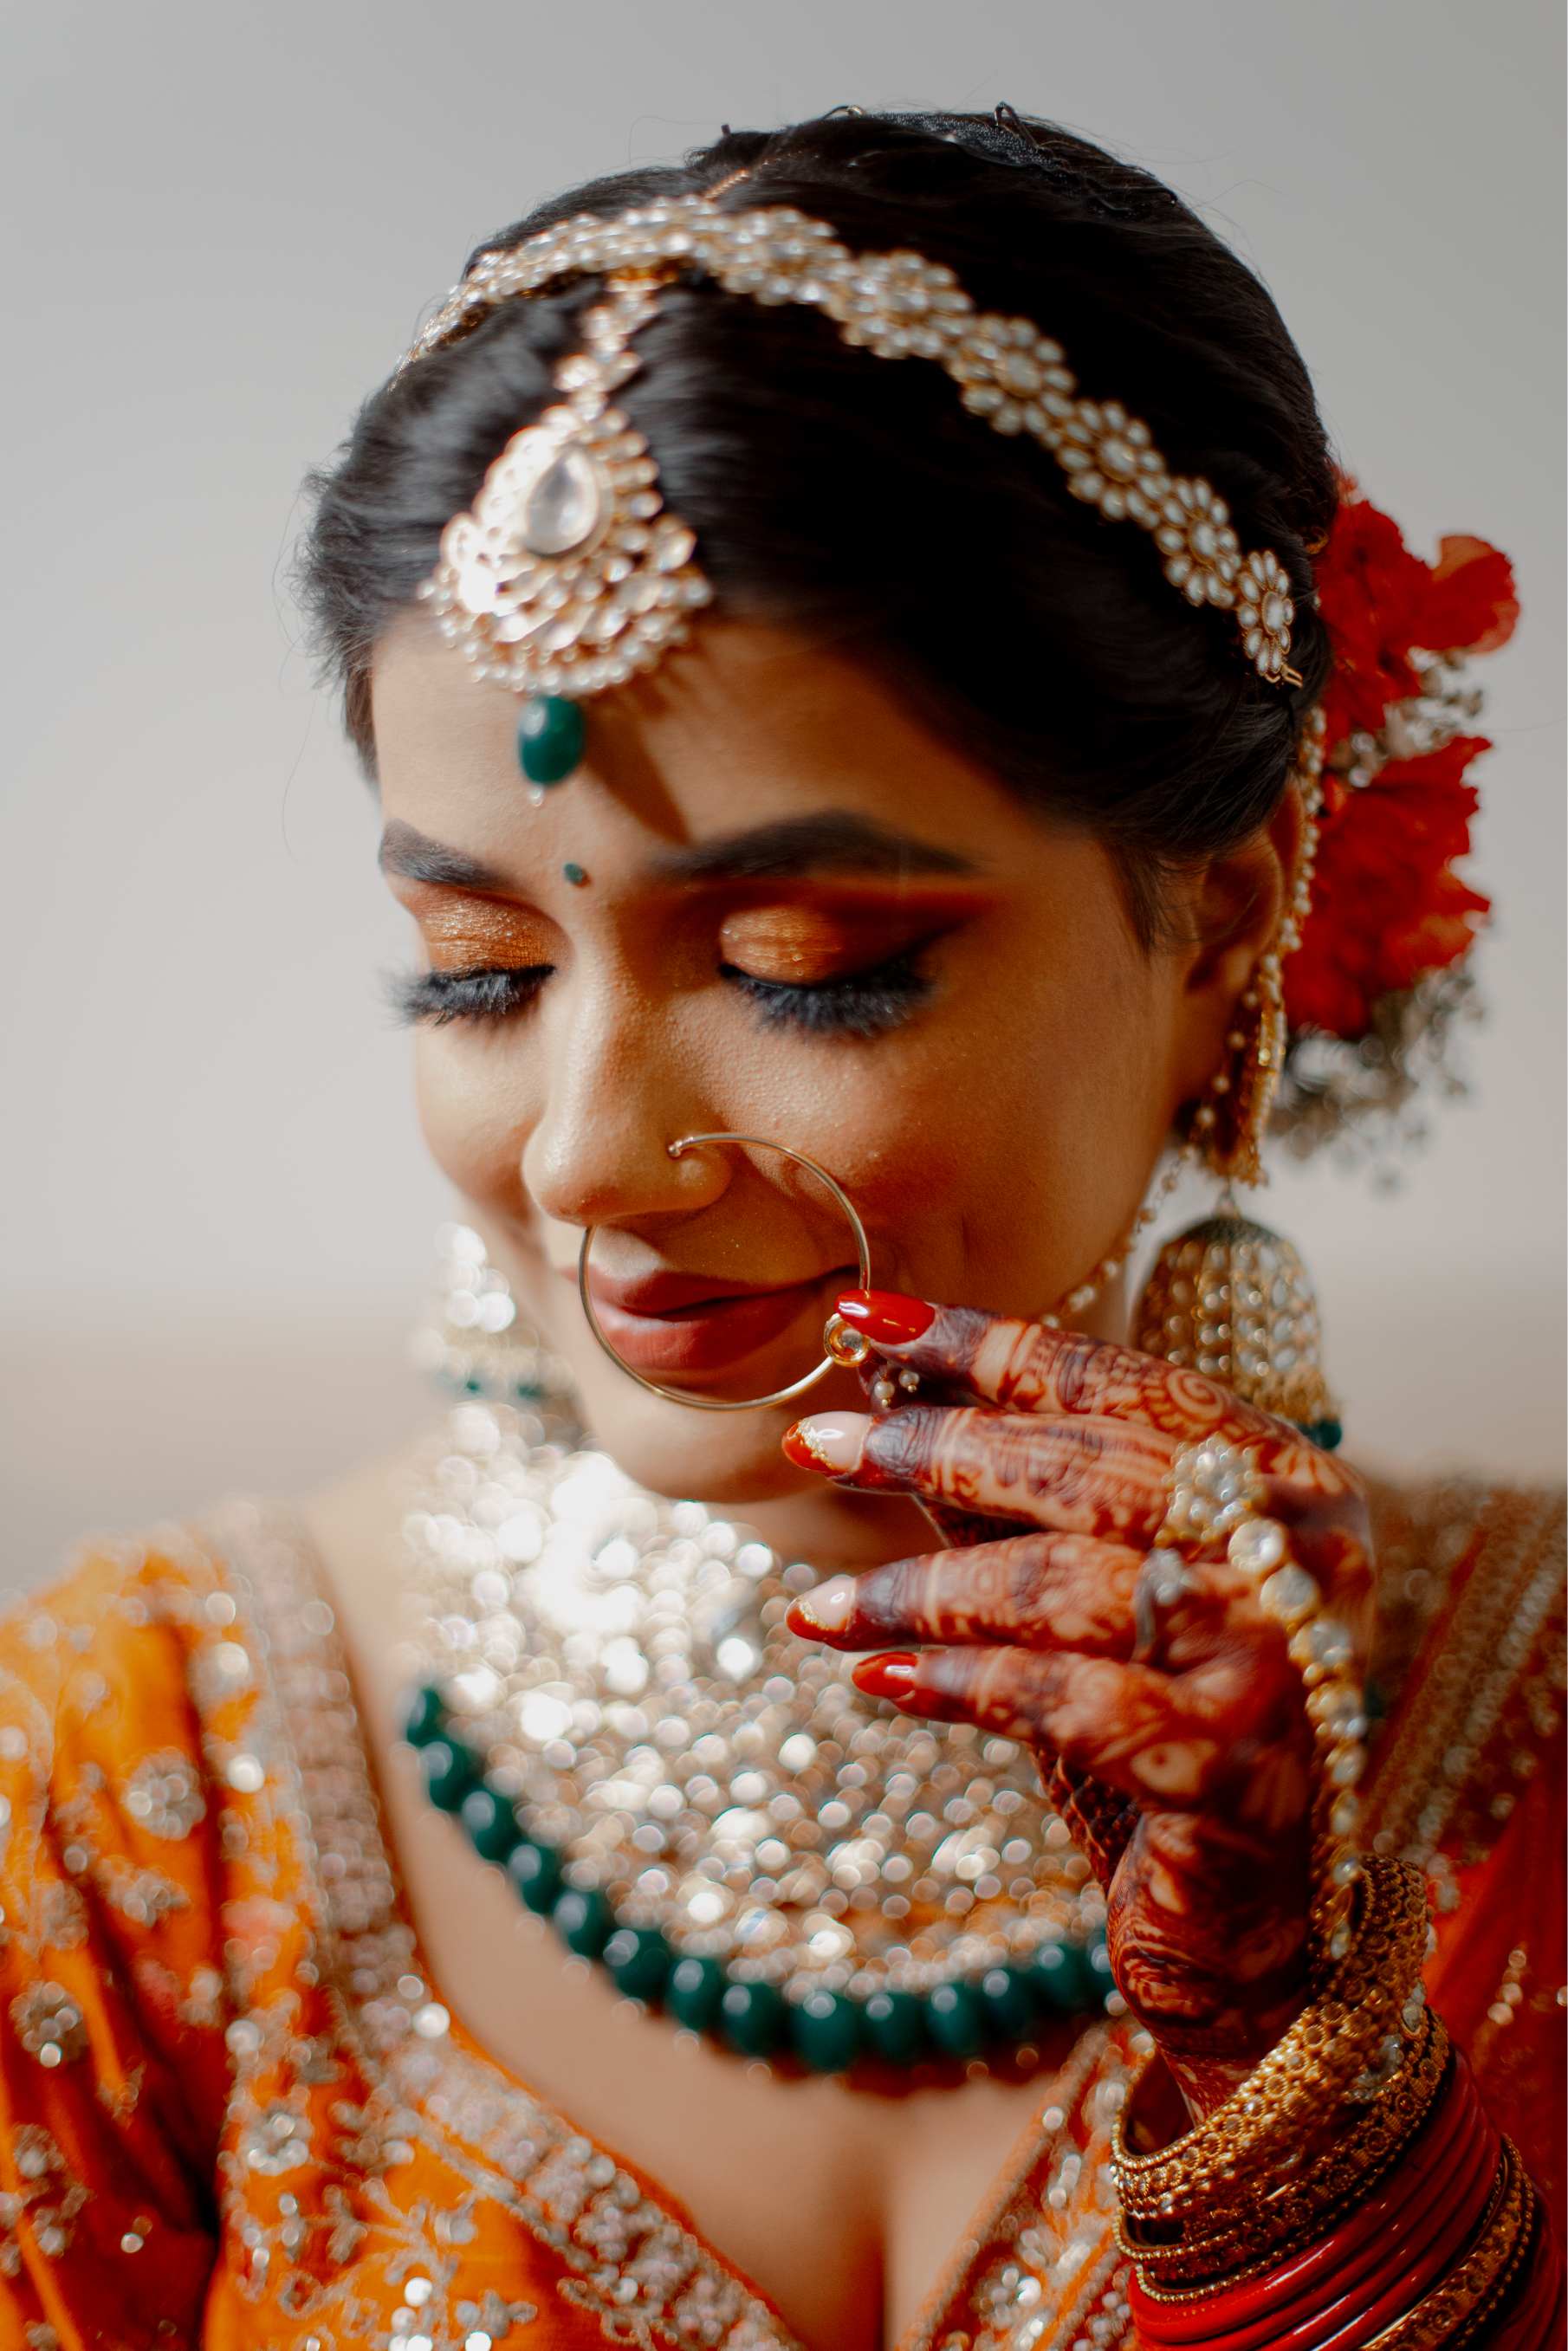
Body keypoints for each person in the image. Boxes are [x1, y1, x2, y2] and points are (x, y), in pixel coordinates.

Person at [0, 106, 1560, 2351]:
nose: (580, 1158)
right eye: (479, 971)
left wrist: (1289, 2066)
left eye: (808, 962)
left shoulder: (1533, 1718)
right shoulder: (129, 1786)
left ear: (1220, 928)